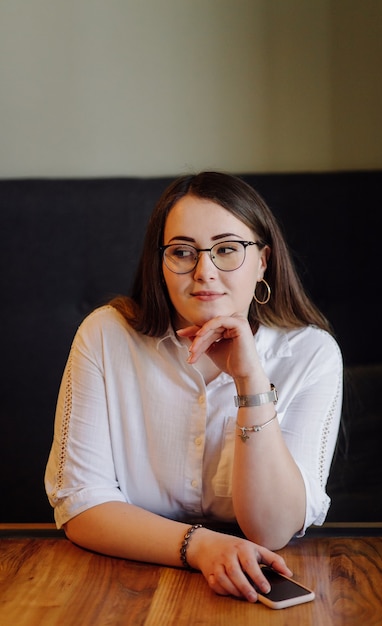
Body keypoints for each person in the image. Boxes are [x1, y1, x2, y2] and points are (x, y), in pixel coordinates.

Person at [45, 171, 342, 603]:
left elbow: (272, 529)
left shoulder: (312, 353)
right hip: (119, 583)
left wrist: (250, 381)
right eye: (182, 252)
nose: (204, 272)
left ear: (263, 261)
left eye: (226, 250)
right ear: (160, 265)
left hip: (252, 584)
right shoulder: (106, 335)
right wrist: (201, 546)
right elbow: (81, 505)